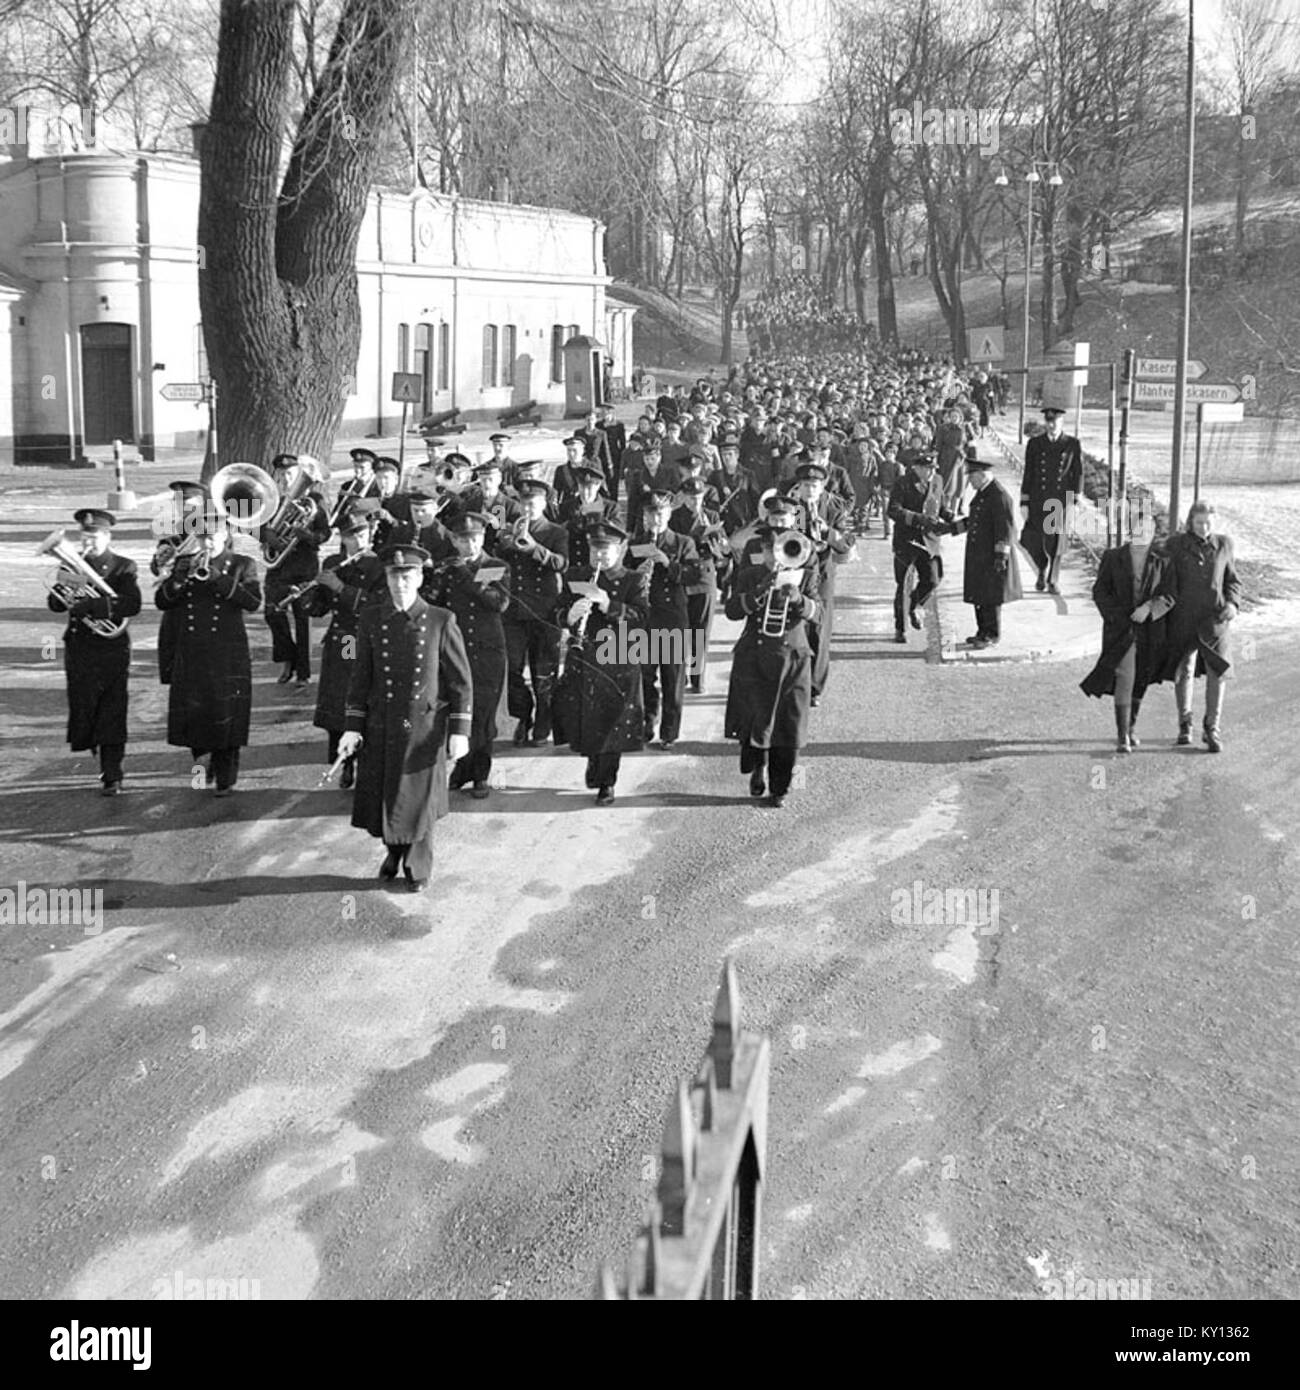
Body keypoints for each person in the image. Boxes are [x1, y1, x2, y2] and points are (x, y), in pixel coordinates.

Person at [336, 543, 472, 891]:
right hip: (381, 722)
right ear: (387, 578)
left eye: (408, 575)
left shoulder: (442, 620)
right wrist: (352, 727)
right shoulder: (370, 618)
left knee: (418, 799)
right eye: (395, 576)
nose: (401, 583)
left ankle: (417, 864)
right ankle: (394, 851)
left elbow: (460, 681)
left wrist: (460, 730)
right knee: (386, 793)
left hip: (423, 728)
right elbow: (359, 677)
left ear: (420, 577)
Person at [155, 502, 261, 795]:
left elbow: (253, 602)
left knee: (227, 717)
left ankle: (226, 779)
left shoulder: (242, 564)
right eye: (203, 538)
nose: (208, 543)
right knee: (195, 719)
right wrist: (178, 578)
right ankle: (202, 769)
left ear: (225, 536)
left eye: (213, 537)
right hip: (191, 652)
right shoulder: (184, 563)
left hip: (227, 653)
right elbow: (163, 602)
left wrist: (220, 579)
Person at [724, 519, 821, 809]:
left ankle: (782, 787)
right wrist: (757, 593)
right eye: (768, 550)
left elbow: (819, 614)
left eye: (779, 549)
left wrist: (799, 600)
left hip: (792, 657)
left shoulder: (805, 575)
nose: (774, 556)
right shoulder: (752, 574)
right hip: (754, 656)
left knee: (788, 724)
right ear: (763, 551)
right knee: (756, 719)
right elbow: (731, 611)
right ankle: (758, 767)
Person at [553, 520, 651, 803]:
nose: (599, 556)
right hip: (583, 657)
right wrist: (569, 616)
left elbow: (643, 619)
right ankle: (595, 762)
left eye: (606, 550)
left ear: (620, 549)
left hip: (618, 658)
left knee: (612, 722)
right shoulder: (576, 575)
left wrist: (610, 606)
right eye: (595, 549)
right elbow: (557, 611)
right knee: (585, 718)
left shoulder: (634, 580)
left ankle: (607, 781)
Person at [46, 508, 142, 795]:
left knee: (112, 709)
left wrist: (94, 606)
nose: (88, 542)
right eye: (84, 536)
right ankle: (100, 756)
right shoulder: (72, 567)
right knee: (84, 708)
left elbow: (131, 605)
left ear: (107, 536)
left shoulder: (122, 566)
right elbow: (55, 605)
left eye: (94, 536)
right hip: (79, 647)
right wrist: (63, 590)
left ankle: (112, 774)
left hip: (111, 647)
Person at [423, 512, 511, 797]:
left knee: (483, 714)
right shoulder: (446, 569)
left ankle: (481, 775)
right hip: (454, 651)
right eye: (462, 540)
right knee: (458, 711)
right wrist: (430, 574)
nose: (469, 545)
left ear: (482, 538)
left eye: (473, 539)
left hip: (487, 652)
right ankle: (462, 770)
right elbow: (432, 602)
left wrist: (463, 573)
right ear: (454, 541)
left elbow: (497, 603)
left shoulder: (496, 566)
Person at [1147, 499, 1242, 753]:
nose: (1203, 527)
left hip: (1215, 621)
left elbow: (1232, 581)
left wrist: (1232, 604)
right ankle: (1184, 723)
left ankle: (1212, 728)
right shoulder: (1176, 544)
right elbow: (1160, 572)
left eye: (1208, 523)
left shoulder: (1224, 545)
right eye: (1199, 523)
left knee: (1217, 672)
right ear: (1190, 522)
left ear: (1215, 522)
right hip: (1183, 619)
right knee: (1184, 670)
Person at [1079, 504, 1171, 753]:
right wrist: (1117, 617)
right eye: (1139, 528)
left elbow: (1170, 594)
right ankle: (1122, 737)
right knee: (1124, 677)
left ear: (1154, 533)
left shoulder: (1162, 561)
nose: (1144, 533)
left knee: (1141, 678)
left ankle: (1131, 728)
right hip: (1120, 630)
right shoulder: (1113, 557)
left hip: (1150, 630)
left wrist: (1150, 608)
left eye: (1149, 529)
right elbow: (1100, 591)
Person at [308, 502, 386, 789]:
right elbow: (319, 607)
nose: (359, 540)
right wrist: (308, 596)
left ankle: (363, 762)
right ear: (342, 537)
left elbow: (377, 605)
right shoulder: (331, 563)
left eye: (363, 534)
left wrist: (341, 588)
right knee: (340, 699)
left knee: (359, 697)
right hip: (343, 638)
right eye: (352, 535)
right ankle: (344, 763)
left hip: (361, 638)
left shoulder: (378, 565)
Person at [496, 476, 569, 745]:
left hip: (545, 612)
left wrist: (535, 547)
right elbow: (498, 564)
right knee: (512, 671)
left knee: (544, 674)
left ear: (544, 503)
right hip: (514, 612)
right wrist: (503, 543)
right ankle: (522, 719)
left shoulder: (556, 532)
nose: (527, 509)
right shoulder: (508, 528)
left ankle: (543, 724)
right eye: (524, 504)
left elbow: (562, 564)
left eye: (533, 503)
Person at [627, 488, 699, 750]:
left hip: (672, 619)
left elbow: (695, 576)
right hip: (644, 619)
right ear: (644, 517)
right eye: (650, 514)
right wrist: (637, 573)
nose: (655, 519)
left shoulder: (683, 542)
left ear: (669, 514)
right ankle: (647, 721)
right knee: (644, 676)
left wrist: (668, 563)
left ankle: (669, 732)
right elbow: (622, 577)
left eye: (660, 514)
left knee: (673, 677)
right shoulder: (635, 544)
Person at [261, 452, 329, 691]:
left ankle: (304, 672)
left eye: (290, 474)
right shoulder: (271, 500)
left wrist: (308, 536)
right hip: (278, 568)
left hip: (304, 567)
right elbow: (257, 527)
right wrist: (266, 535)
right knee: (272, 613)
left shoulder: (315, 499)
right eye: (282, 475)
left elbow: (325, 533)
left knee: (303, 619)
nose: (286, 479)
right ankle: (288, 658)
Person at [948, 454, 1022, 649]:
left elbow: (1005, 530)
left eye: (972, 478)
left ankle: (992, 635)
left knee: (990, 597)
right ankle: (982, 631)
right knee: (979, 595)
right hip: (979, 555)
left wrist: (1001, 557)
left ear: (982, 475)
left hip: (991, 556)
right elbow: (974, 521)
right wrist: (950, 528)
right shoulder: (984, 493)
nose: (970, 482)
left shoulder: (999, 496)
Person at [670, 476, 731, 692]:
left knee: (701, 631)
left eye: (699, 496)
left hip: (705, 577)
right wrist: (694, 537)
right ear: (684, 497)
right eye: (691, 497)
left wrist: (721, 546)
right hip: (683, 577)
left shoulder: (711, 516)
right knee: (681, 629)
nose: (695, 501)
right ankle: (681, 675)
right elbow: (673, 545)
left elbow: (723, 550)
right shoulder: (675, 518)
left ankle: (698, 678)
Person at [887, 451, 951, 645]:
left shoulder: (938, 480)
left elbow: (941, 504)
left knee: (933, 579)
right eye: (926, 469)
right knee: (904, 585)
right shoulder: (903, 483)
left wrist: (949, 517)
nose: (930, 472)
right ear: (916, 468)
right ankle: (900, 628)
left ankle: (913, 605)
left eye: (932, 469)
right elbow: (893, 510)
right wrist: (917, 518)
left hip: (929, 540)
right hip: (907, 540)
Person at [1021, 405, 1084, 593]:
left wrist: (1076, 499)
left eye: (1054, 422)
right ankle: (1041, 568)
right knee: (1032, 539)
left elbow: (1077, 472)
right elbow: (1029, 473)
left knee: (1057, 540)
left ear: (1062, 422)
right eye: (1048, 422)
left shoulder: (1072, 444)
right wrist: (1024, 501)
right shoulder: (1035, 444)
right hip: (1037, 498)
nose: (1051, 425)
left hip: (1059, 500)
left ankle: (1053, 579)